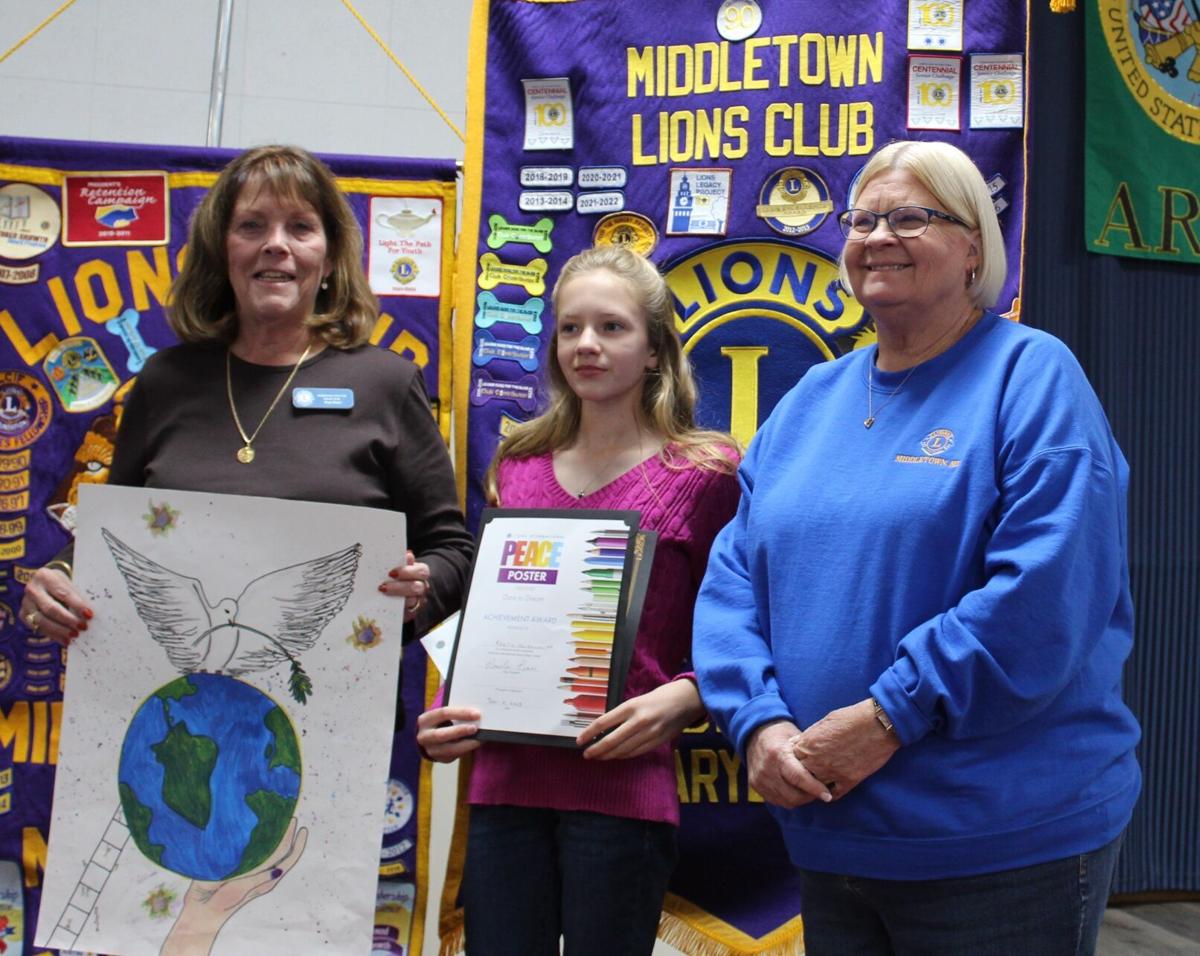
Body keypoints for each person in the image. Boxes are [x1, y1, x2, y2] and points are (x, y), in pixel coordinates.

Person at [693, 140, 1140, 956]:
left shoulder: (1031, 376)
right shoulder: (813, 397)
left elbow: (1044, 595)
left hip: (999, 846)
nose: (877, 237)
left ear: (973, 248)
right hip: (830, 831)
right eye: (862, 220)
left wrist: (889, 715)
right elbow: (732, 580)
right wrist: (756, 722)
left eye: (909, 217)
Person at [17, 145, 473, 945]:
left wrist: (419, 586)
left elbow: (452, 549)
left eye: (300, 228)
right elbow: (112, 544)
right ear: (220, 249)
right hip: (167, 740)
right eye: (252, 226)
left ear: (329, 254)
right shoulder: (166, 381)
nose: (276, 247)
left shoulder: (383, 383)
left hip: (315, 743)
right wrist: (57, 580)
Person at [417, 245, 740, 956]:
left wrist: (689, 695)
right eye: (570, 328)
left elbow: (743, 624)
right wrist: (450, 706)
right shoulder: (518, 465)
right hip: (505, 786)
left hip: (622, 790)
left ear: (654, 349)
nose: (586, 344)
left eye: (611, 327)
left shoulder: (706, 473)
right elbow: (496, 614)